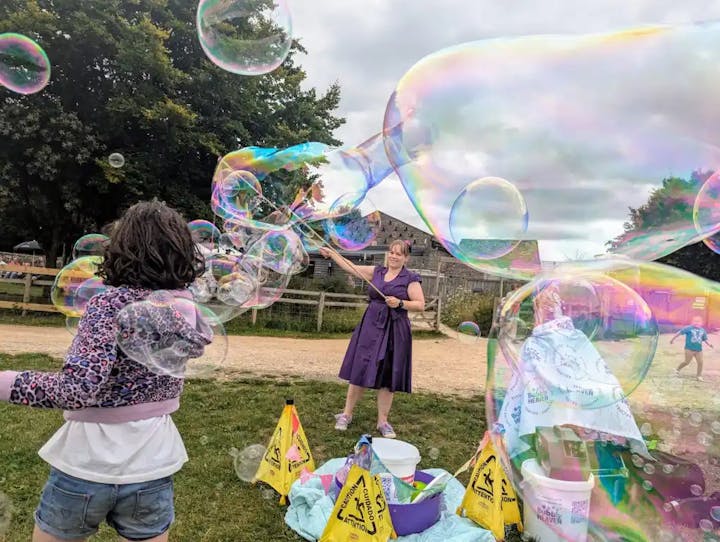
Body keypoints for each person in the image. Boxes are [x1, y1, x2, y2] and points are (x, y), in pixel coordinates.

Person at [0, 200, 212, 542]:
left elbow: (77, 389)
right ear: (182, 252)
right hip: (154, 464)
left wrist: (5, 382)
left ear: (121, 249)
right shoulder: (183, 309)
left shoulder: (109, 303)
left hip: (86, 465)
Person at [319, 240, 425, 439]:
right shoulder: (376, 272)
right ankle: (347, 414)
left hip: (395, 329)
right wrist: (333, 254)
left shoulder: (410, 278)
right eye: (391, 252)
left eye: (399, 254)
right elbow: (350, 267)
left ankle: (383, 422)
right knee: (359, 368)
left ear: (406, 258)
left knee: (387, 375)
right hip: (371, 326)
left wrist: (400, 303)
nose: (393, 256)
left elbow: (420, 304)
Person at [672, 315, 713, 382]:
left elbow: (705, 339)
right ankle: (677, 369)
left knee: (700, 362)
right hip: (689, 349)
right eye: (695, 321)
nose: (696, 323)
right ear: (692, 322)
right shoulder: (688, 328)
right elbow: (679, 333)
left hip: (698, 350)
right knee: (686, 362)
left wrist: (709, 344)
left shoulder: (703, 330)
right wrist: (672, 339)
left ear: (701, 323)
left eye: (698, 321)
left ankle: (698, 376)